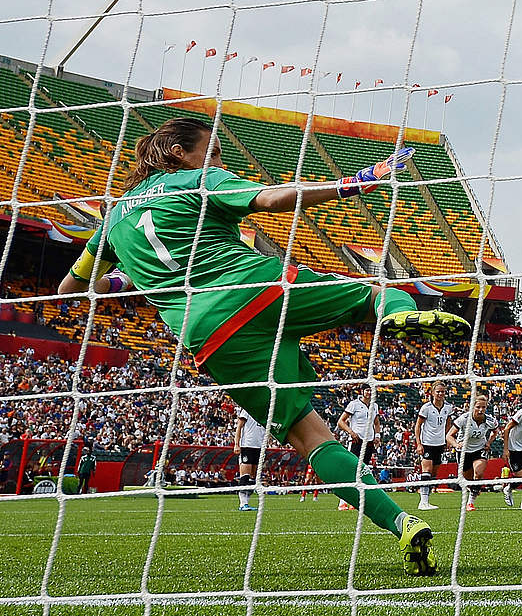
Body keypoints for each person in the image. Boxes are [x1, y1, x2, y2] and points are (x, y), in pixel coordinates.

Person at [56, 117, 469, 575]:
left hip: (207, 334)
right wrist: (355, 182)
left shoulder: (112, 218)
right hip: (255, 288)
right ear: (176, 151)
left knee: (310, 439)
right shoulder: (197, 180)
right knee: (376, 291)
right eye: (211, 152)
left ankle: (401, 523)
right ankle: (396, 314)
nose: (218, 161)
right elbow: (272, 198)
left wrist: (127, 275)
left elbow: (70, 286)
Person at [450, 393, 498, 511]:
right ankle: (475, 489)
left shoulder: (490, 420)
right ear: (472, 406)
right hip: (464, 451)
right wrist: (456, 444)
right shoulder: (464, 419)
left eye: (483, 407)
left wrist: (489, 442)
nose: (481, 410)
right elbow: (449, 436)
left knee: (479, 472)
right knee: (468, 480)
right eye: (478, 407)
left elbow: (495, 431)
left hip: (479, 449)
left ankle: (470, 503)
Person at [413, 384, 456, 511]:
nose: (440, 394)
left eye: (443, 392)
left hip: (440, 443)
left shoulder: (448, 407)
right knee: (426, 469)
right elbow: (418, 426)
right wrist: (419, 443)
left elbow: (448, 423)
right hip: (427, 443)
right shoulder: (426, 408)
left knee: (434, 472)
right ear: (432, 393)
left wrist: (448, 439)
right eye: (438, 392)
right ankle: (423, 502)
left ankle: (427, 499)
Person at [338, 388, 380, 512]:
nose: (369, 392)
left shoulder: (374, 406)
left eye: (371, 390)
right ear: (362, 391)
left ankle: (354, 501)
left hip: (369, 442)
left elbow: (376, 422)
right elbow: (341, 421)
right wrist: (351, 432)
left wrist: (377, 435)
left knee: (362, 471)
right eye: (367, 390)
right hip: (357, 441)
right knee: (351, 470)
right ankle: (342, 501)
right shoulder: (354, 404)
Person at [233, 406, 266, 511]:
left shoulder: (265, 413)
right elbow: (239, 427)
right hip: (247, 445)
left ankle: (247, 502)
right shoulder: (247, 410)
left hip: (259, 447)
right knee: (245, 476)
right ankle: (242, 503)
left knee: (253, 477)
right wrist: (236, 444)